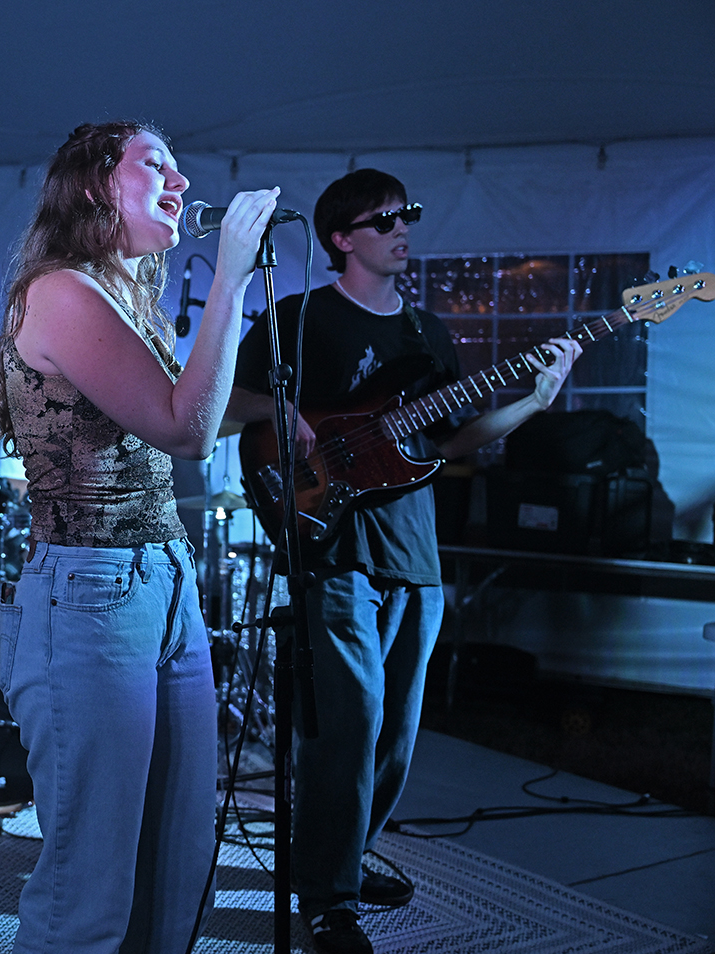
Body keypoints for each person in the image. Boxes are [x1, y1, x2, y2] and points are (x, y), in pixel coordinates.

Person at [225, 169, 581, 954]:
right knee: (347, 724)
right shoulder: (301, 318)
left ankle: (341, 857)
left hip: (414, 552)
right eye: (386, 219)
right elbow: (219, 407)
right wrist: (282, 409)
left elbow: (448, 445)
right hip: (332, 542)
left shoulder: (429, 335)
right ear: (341, 239)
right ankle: (328, 901)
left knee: (395, 734)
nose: (403, 227)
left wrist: (530, 402)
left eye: (408, 215)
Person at [0, 120, 278, 953]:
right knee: (92, 877)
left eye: (181, 168)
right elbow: (185, 428)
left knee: (176, 859)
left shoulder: (127, 296)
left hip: (163, 580)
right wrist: (229, 276)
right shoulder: (60, 293)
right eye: (156, 165)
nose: (181, 184)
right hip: (90, 593)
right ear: (90, 186)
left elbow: (193, 407)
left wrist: (275, 412)